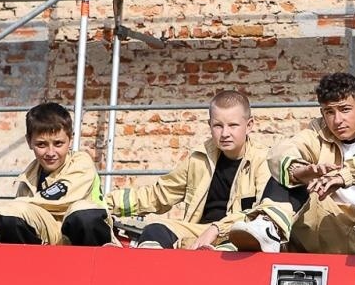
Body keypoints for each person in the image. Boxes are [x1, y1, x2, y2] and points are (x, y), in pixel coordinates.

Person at [226, 72, 355, 257]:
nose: (337, 120)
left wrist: (344, 176)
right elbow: (281, 151)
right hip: (327, 229)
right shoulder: (317, 132)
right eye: (329, 112)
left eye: (345, 109)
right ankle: (268, 227)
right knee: (289, 173)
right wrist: (300, 171)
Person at [107, 90, 270, 249]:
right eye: (218, 126)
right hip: (197, 232)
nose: (225, 133)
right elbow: (159, 195)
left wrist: (218, 229)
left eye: (233, 125)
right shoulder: (199, 157)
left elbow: (261, 213)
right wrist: (105, 203)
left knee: (231, 245)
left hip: (236, 235)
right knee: (155, 229)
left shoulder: (263, 160)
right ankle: (150, 268)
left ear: (249, 125)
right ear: (209, 125)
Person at [0, 101, 111, 247]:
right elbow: (20, 213)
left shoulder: (82, 162)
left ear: (70, 140)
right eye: (41, 144)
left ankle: (93, 265)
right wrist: (2, 216)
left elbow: (60, 198)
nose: (50, 152)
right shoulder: (27, 178)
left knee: (82, 212)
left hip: (85, 243)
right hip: (51, 240)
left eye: (58, 143)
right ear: (29, 141)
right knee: (12, 214)